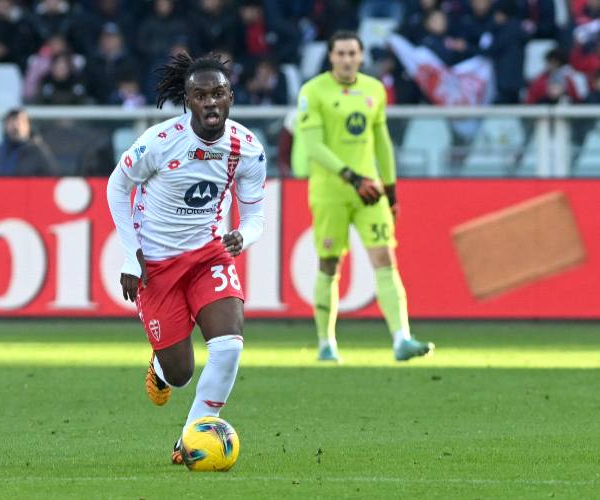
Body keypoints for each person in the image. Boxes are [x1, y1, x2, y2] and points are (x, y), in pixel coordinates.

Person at [106, 52, 266, 464]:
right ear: (187, 101)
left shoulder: (247, 149)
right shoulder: (160, 142)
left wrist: (242, 237)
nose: (210, 102)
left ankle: (191, 438)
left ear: (230, 96)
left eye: (218, 93)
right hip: (157, 267)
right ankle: (161, 370)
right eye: (200, 95)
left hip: (208, 255)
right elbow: (116, 186)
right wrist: (131, 256)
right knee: (180, 373)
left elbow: (255, 215)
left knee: (229, 346)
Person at [295, 30, 433, 363]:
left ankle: (402, 338)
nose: (346, 59)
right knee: (330, 263)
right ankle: (326, 343)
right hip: (331, 191)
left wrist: (391, 189)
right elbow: (314, 146)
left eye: (351, 53)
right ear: (330, 57)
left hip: (369, 191)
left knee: (385, 258)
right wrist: (351, 177)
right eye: (340, 53)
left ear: (360, 56)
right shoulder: (313, 91)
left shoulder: (374, 89)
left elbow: (382, 141)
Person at [0, 107, 59, 175]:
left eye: (21, 122)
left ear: (28, 126)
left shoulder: (37, 151)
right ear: (5, 126)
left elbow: (52, 176)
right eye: (11, 122)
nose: (16, 126)